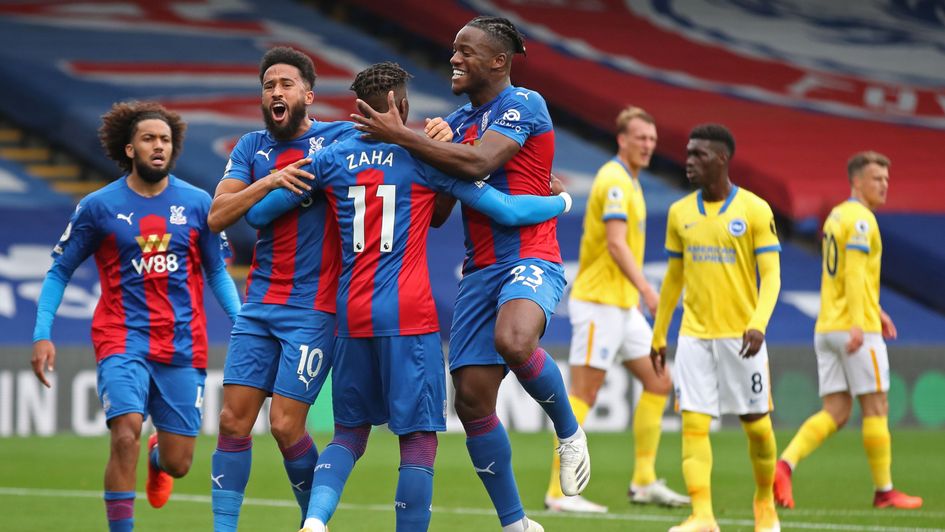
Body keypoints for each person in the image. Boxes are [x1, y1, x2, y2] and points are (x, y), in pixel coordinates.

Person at [244, 62, 572, 532]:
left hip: (351, 315)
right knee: (418, 441)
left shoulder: (330, 158)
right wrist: (561, 202)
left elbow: (260, 215)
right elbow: (506, 208)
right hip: (408, 313)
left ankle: (315, 522)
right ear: (400, 106)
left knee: (349, 434)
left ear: (359, 110)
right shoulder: (425, 159)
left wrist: (279, 181)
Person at [351, 17, 589, 531]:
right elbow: (437, 212)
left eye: (465, 51)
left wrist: (408, 140)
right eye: (454, 51)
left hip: (530, 256)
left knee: (515, 339)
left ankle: (569, 433)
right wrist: (424, 149)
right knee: (473, 400)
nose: (453, 59)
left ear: (498, 61)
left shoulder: (524, 104)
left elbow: (482, 162)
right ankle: (516, 523)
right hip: (478, 270)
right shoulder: (455, 122)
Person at [30, 101, 241, 532]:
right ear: (130, 149)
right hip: (121, 337)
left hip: (183, 343)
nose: (158, 146)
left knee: (180, 465)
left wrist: (243, 325)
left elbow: (217, 271)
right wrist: (42, 332)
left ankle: (159, 456)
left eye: (165, 140)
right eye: (149, 139)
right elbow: (60, 269)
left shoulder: (198, 203)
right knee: (124, 431)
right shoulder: (98, 207)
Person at [205, 46, 366, 531]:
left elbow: (394, 140)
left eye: (286, 84)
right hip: (259, 306)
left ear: (308, 95)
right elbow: (218, 215)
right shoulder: (251, 148)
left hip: (314, 308)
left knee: (284, 425)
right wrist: (271, 181)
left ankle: (311, 522)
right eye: (269, 85)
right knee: (233, 423)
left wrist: (437, 131)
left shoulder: (337, 138)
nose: (275, 91)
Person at [544, 106, 689, 513]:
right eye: (640, 137)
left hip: (622, 308)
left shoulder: (631, 182)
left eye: (652, 139)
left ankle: (643, 481)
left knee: (660, 381)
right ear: (622, 139)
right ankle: (558, 491)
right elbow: (615, 242)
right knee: (583, 393)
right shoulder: (613, 180)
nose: (647, 145)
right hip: (599, 304)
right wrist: (647, 287)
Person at [773, 152, 922, 511]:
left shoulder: (837, 215)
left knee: (837, 411)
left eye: (886, 179)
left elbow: (845, 278)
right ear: (856, 181)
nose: (883, 185)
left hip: (827, 325)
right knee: (876, 406)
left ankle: (784, 465)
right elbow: (854, 274)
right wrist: (860, 321)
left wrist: (876, 310)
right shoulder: (860, 221)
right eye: (876, 178)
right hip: (853, 329)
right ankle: (884, 490)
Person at [650, 124, 781, 532]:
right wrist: (660, 333)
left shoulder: (755, 210)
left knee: (757, 426)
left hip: (742, 338)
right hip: (693, 336)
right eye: (688, 154)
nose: (689, 162)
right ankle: (702, 516)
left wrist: (758, 324)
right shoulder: (680, 212)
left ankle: (764, 503)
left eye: (699, 156)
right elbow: (673, 278)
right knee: (693, 425)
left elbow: (772, 276)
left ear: (722, 159)